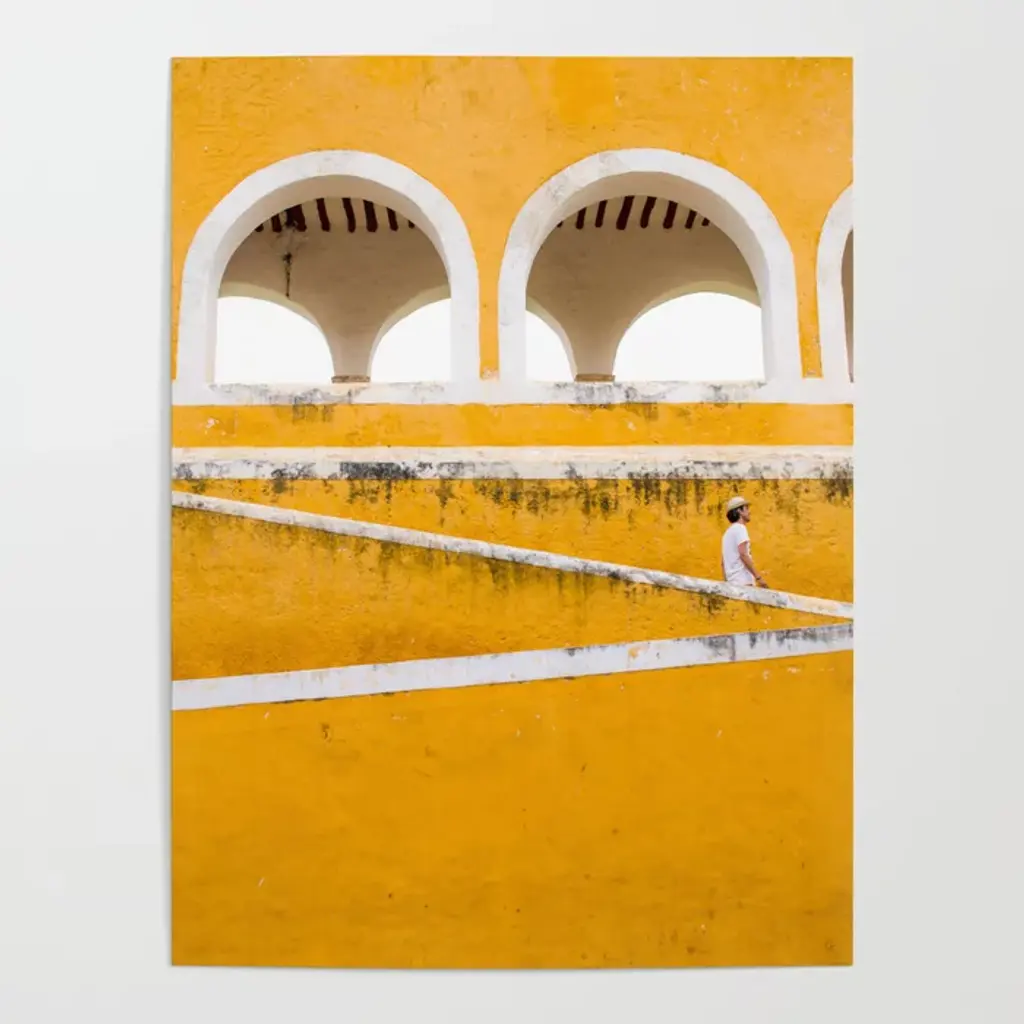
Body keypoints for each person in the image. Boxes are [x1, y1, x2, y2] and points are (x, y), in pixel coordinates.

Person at [721, 495, 768, 588]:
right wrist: (758, 578)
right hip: (743, 582)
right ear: (739, 511)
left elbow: (723, 563)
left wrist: (727, 584)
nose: (749, 512)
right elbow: (743, 554)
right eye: (746, 508)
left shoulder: (727, 533)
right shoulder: (740, 528)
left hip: (732, 584)